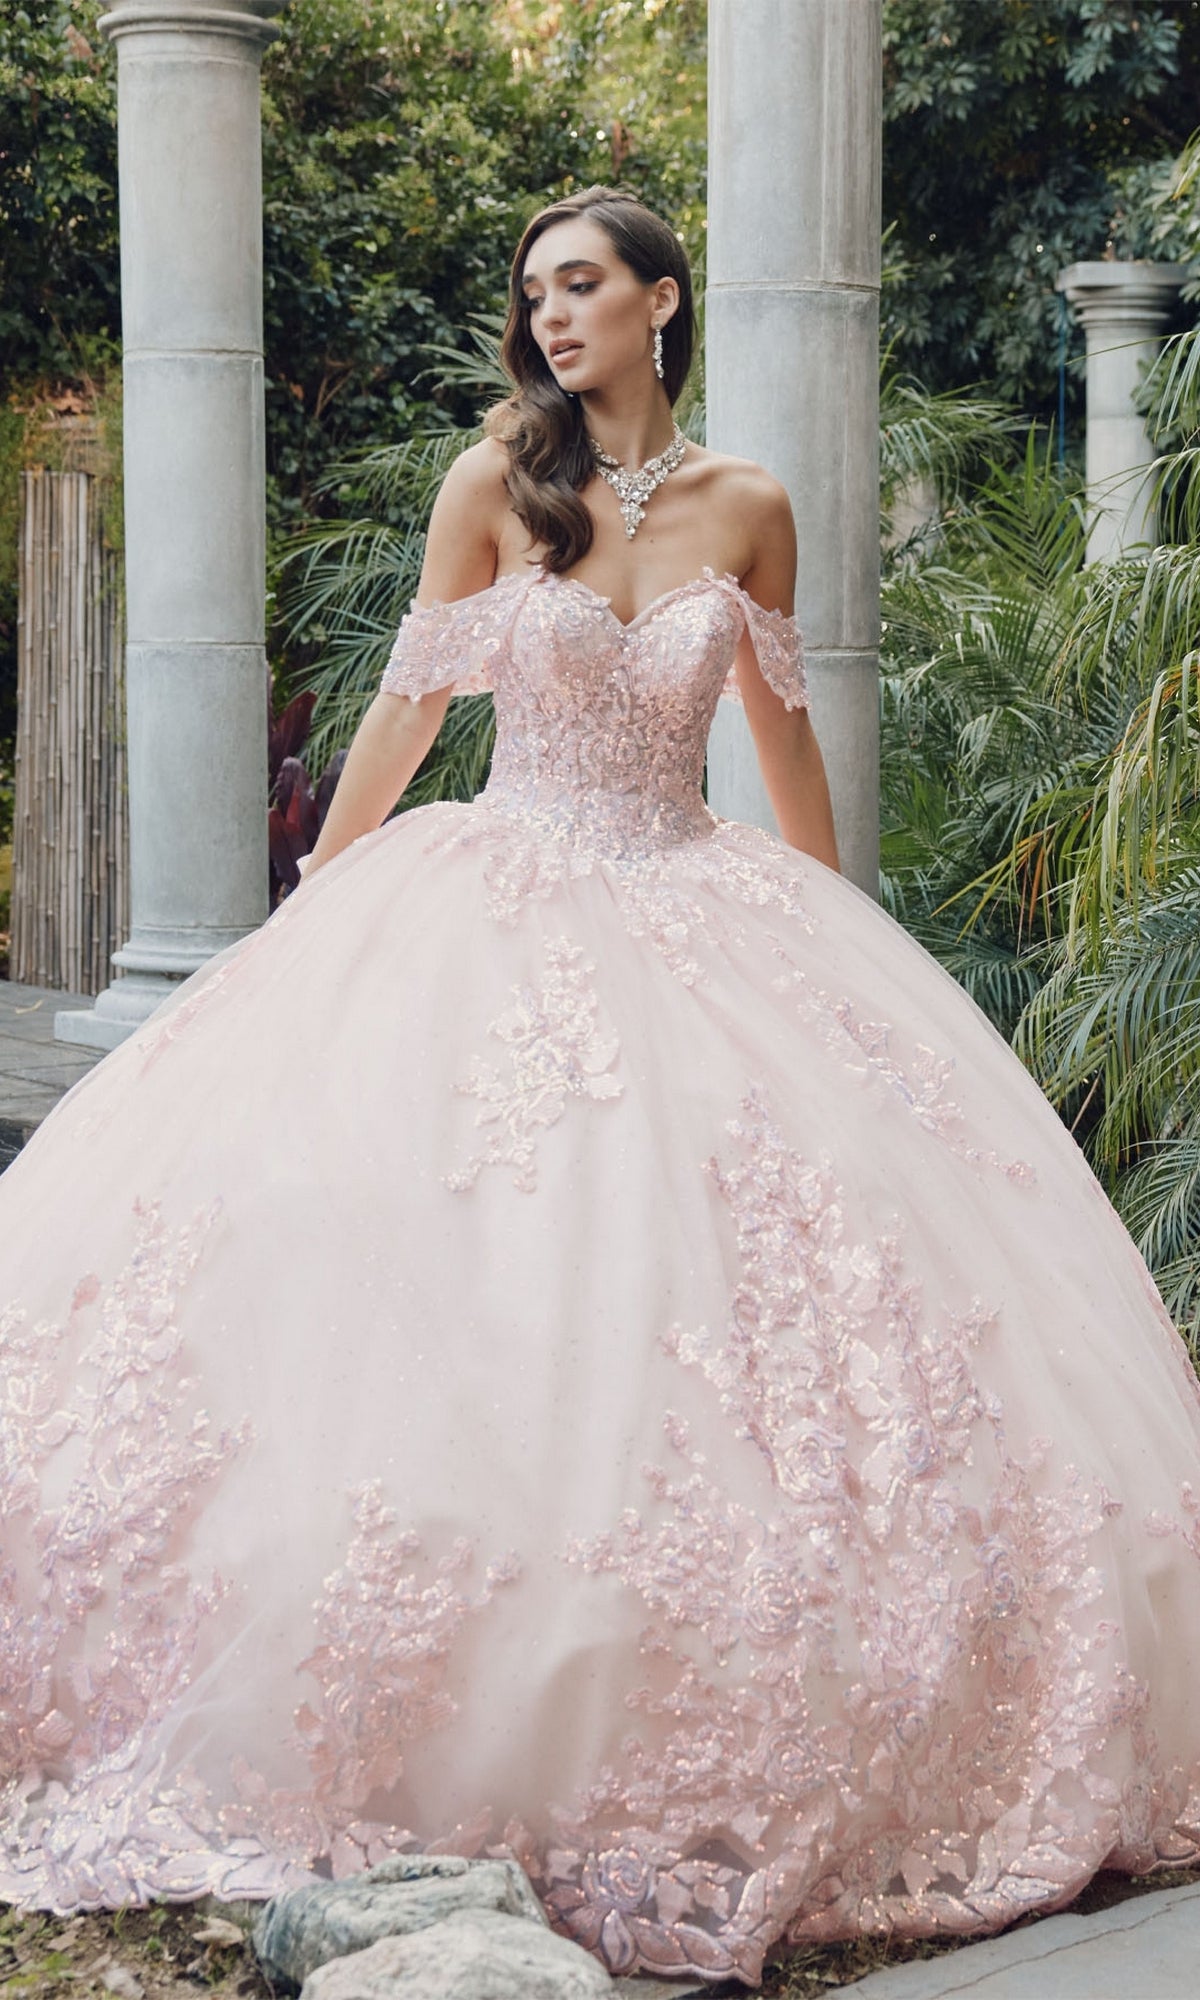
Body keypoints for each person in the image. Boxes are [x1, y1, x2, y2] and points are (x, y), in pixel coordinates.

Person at [1, 185, 1199, 1989]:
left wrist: (845, 951)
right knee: (479, 1256)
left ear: (660, 298)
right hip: (498, 888)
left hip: (697, 894)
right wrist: (320, 898)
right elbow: (411, 710)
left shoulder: (753, 507)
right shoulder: (496, 486)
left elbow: (785, 736)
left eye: (582, 286)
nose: (553, 318)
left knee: (741, 1301)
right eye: (535, 293)